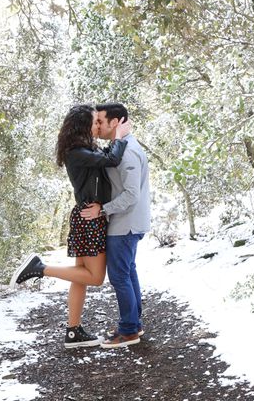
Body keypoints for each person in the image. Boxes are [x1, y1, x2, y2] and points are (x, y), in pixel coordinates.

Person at [9, 104, 131, 349]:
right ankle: (40, 268)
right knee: (95, 278)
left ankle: (73, 332)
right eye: (94, 122)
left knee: (81, 278)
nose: (98, 125)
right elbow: (112, 159)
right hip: (89, 217)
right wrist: (119, 135)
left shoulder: (84, 149)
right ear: (82, 126)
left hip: (87, 216)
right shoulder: (76, 151)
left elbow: (104, 159)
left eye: (99, 121)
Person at [81, 102, 151, 348]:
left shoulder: (128, 151)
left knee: (120, 276)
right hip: (127, 223)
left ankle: (129, 330)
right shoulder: (119, 147)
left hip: (126, 224)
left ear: (116, 122)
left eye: (100, 121)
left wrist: (103, 210)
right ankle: (134, 323)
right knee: (128, 272)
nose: (97, 125)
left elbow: (131, 194)